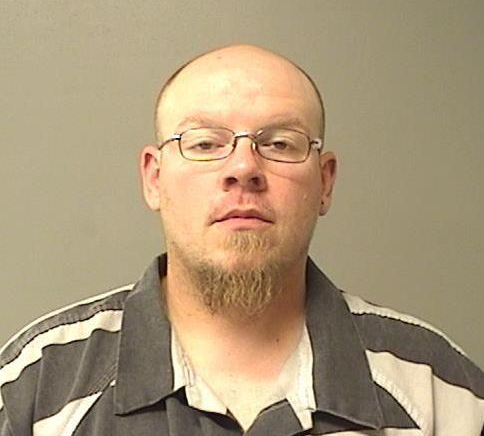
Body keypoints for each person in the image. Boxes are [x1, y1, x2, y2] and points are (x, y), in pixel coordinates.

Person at [0, 44, 482, 435]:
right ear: (154, 178)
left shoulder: (441, 393)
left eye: (280, 143)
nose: (243, 167)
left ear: (325, 182)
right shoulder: (34, 390)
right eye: (204, 143)